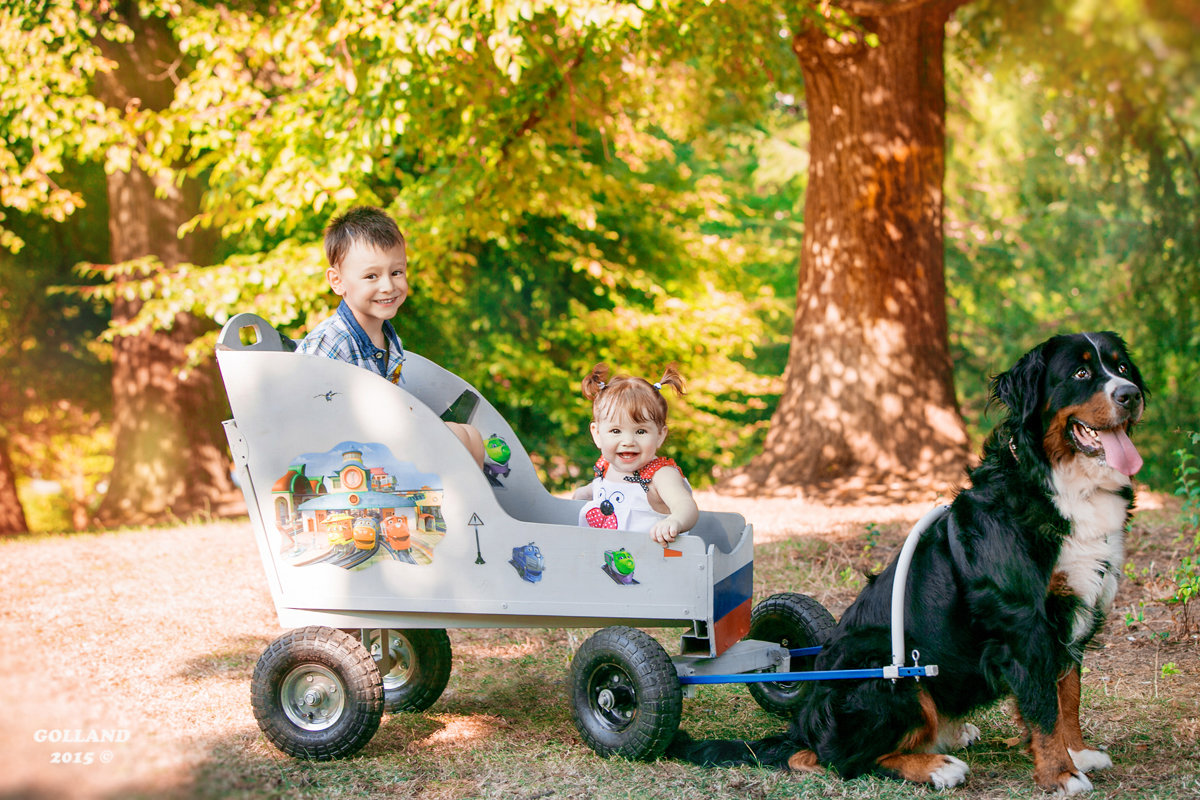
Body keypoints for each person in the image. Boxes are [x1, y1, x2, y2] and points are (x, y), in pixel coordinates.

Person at [299, 206, 486, 467]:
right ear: (337, 281)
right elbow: (303, 411)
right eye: (371, 276)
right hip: (349, 460)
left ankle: (471, 505)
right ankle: (454, 505)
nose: (388, 286)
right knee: (454, 437)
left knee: (470, 436)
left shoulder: (388, 338)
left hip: (383, 444)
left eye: (396, 272)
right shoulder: (331, 342)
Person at [573, 363, 699, 544]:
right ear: (597, 434)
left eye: (640, 432)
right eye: (616, 431)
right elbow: (609, 489)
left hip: (653, 562)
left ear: (660, 435)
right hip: (603, 557)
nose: (628, 441)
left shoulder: (660, 475)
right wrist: (587, 492)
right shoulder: (606, 465)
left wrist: (675, 521)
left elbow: (686, 506)